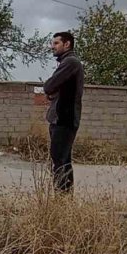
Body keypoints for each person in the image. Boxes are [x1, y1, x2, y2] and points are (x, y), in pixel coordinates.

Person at [42, 31, 84, 193]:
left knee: (59, 160)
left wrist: (51, 90)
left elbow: (49, 86)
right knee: (62, 160)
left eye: (56, 43)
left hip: (65, 120)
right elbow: (53, 91)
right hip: (60, 119)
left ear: (67, 44)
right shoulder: (66, 63)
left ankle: (62, 197)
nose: (52, 47)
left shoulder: (71, 62)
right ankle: (64, 199)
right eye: (52, 43)